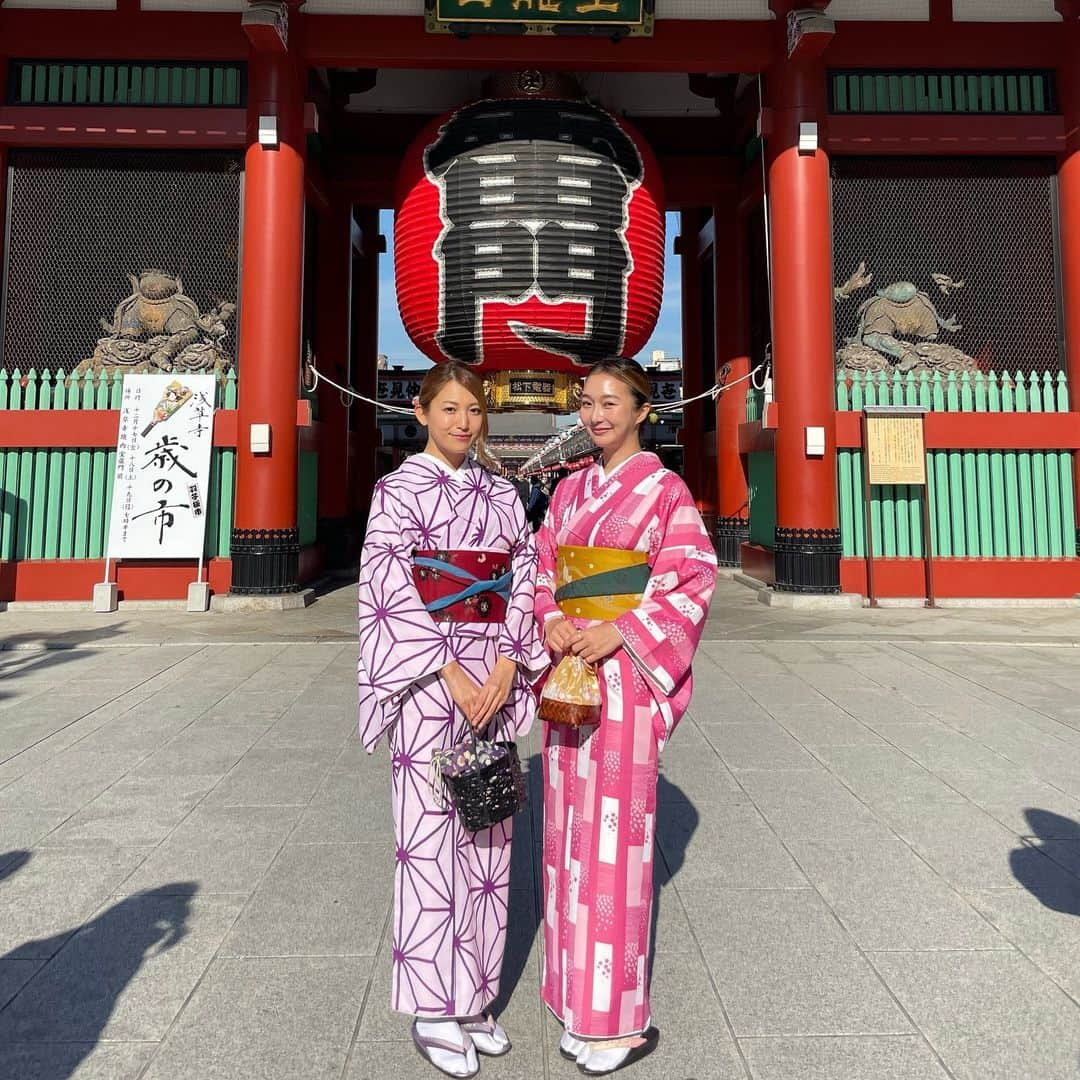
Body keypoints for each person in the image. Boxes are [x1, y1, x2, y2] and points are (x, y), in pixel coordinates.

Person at [357, 361, 548, 1079]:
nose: (463, 422)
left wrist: (505, 665)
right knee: (430, 839)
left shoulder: (503, 493)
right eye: (450, 409)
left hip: (492, 675)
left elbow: (524, 578)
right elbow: (387, 583)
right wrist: (450, 669)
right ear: (421, 410)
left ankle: (473, 995)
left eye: (473, 410)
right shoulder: (396, 490)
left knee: (490, 834)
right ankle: (433, 1007)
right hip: (430, 682)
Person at [533, 357, 718, 1076]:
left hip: (626, 683)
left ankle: (616, 1019)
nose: (596, 414)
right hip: (569, 675)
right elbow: (542, 564)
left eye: (612, 402)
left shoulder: (666, 491)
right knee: (563, 838)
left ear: (644, 409)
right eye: (587, 403)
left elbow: (691, 581)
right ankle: (573, 996)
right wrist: (550, 615)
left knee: (615, 845)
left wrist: (627, 630)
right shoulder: (571, 488)